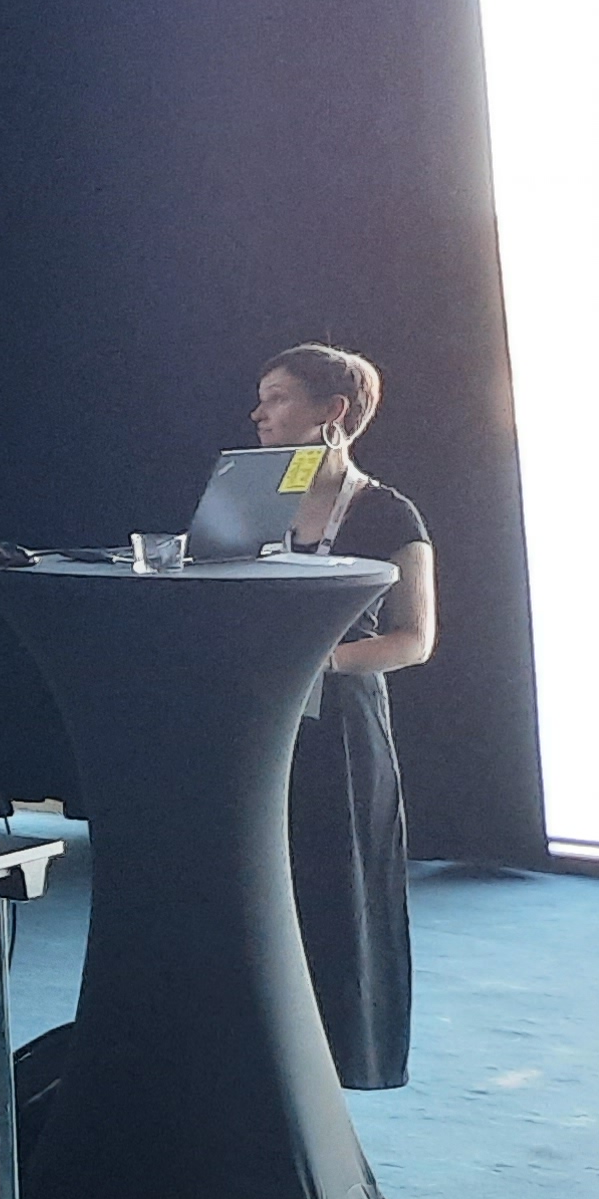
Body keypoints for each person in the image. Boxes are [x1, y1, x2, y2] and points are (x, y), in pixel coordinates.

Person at [257, 342, 437, 1089]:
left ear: (333, 414)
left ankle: (343, 1065)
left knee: (341, 892)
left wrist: (318, 661)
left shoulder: (390, 511)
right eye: (261, 399)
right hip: (257, 724)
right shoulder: (251, 496)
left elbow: (415, 640)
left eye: (278, 399)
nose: (259, 414)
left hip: (343, 727)